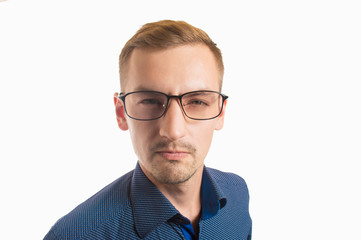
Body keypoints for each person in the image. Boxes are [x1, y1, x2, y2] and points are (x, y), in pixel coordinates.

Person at [44, 20, 252, 240]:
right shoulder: (74, 236)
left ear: (220, 113)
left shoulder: (238, 194)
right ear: (121, 113)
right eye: (150, 101)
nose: (173, 131)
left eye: (198, 101)